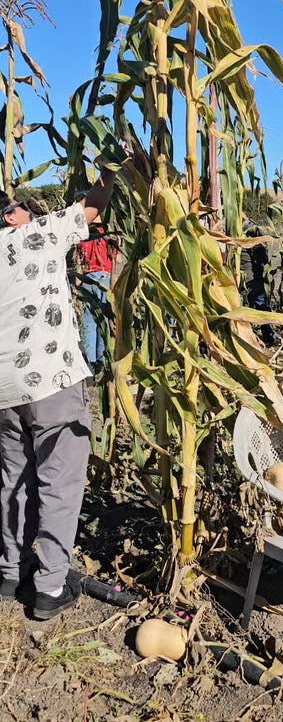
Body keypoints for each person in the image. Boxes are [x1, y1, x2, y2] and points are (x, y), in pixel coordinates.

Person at [0, 166, 117, 618]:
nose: (26, 210)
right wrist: (107, 173)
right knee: (58, 481)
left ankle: (9, 571)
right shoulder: (35, 235)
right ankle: (49, 587)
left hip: (4, 393)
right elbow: (93, 205)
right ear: (10, 217)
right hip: (51, 381)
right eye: (18, 206)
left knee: (13, 479)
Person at [76, 222, 113, 373]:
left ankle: (89, 362)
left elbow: (78, 261)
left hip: (86, 278)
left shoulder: (83, 236)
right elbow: (115, 259)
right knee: (104, 320)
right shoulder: (106, 234)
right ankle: (101, 359)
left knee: (89, 321)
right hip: (104, 277)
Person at [240, 214, 277, 346]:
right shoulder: (249, 238)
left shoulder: (246, 235)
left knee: (255, 307)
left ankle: (263, 336)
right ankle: (266, 336)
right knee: (260, 308)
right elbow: (263, 260)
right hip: (248, 281)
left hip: (247, 281)